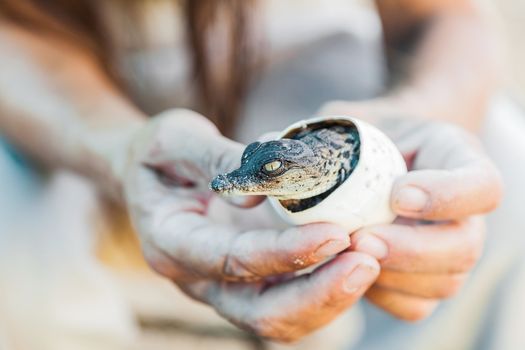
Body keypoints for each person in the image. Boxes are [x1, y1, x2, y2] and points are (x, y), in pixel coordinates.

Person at [0, 0, 511, 347]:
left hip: (303, 67)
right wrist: (118, 147)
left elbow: (445, 15)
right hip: (54, 82)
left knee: (508, 178)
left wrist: (421, 114)